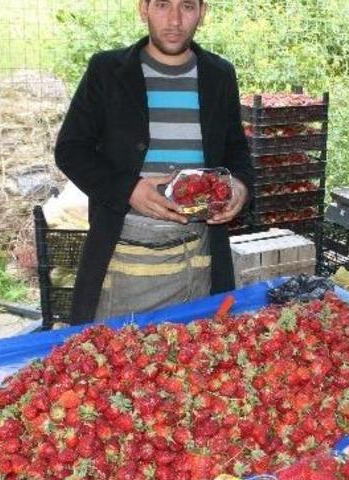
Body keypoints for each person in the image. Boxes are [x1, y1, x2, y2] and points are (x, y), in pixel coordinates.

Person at [54, 0, 253, 324]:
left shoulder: (219, 75)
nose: (174, 20)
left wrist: (240, 186)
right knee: (119, 348)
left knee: (196, 348)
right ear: (143, 9)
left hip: (199, 258)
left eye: (186, 6)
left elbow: (236, 151)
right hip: (125, 257)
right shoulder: (107, 71)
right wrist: (128, 190)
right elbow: (71, 149)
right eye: (162, 5)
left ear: (202, 12)